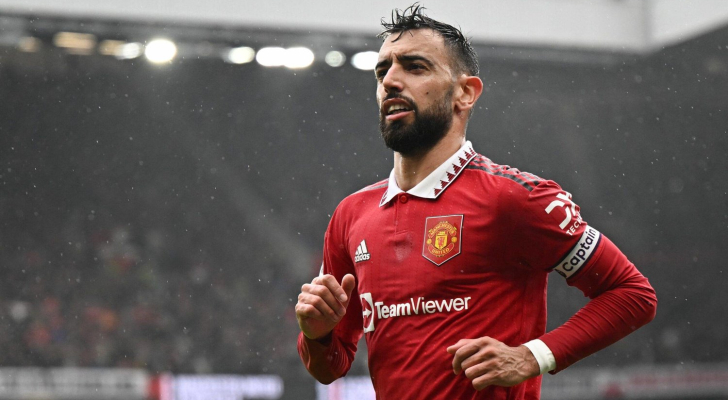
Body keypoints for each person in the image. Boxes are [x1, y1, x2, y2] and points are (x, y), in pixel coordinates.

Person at [295, 4, 657, 399]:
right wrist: (316, 334)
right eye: (383, 71)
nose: (391, 81)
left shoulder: (516, 198)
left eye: (415, 67)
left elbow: (631, 294)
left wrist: (532, 356)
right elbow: (331, 367)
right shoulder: (351, 215)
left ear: (465, 93)